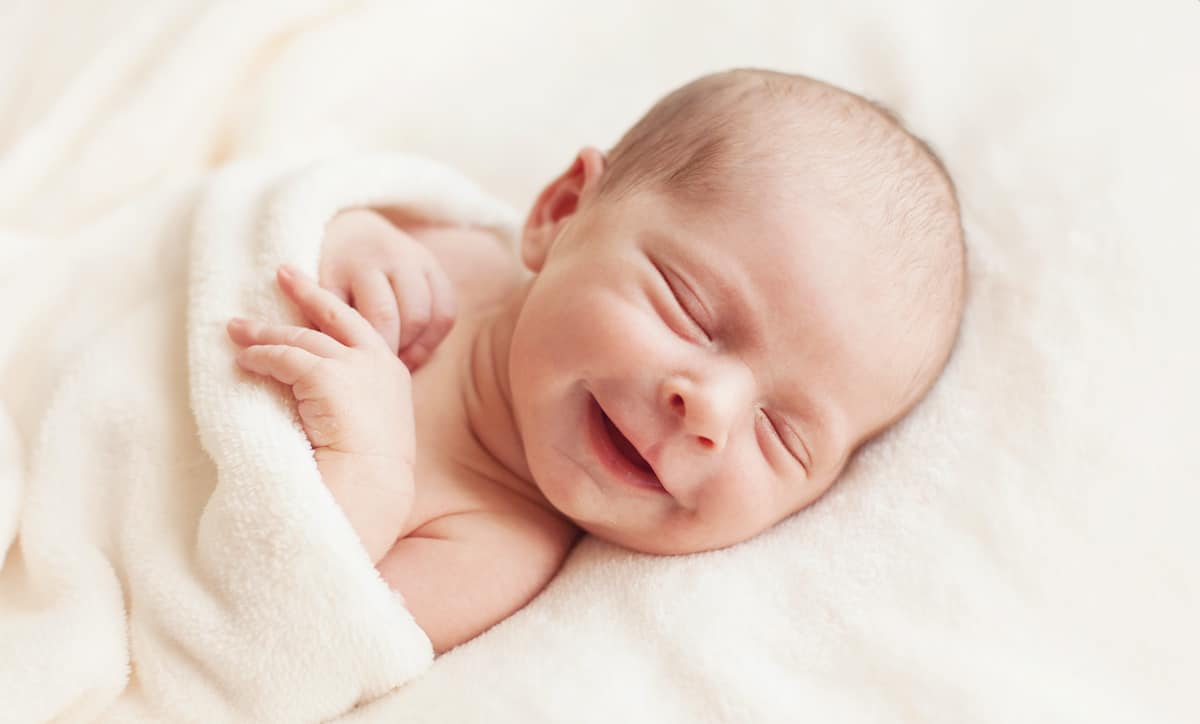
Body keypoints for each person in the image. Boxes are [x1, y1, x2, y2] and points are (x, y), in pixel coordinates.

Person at [225, 68, 966, 654]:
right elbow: (239, 212)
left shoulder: (489, 548)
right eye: (690, 310)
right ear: (562, 211)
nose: (710, 411)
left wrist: (367, 467)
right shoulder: (427, 247)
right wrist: (340, 222)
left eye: (782, 436)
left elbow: (281, 641)